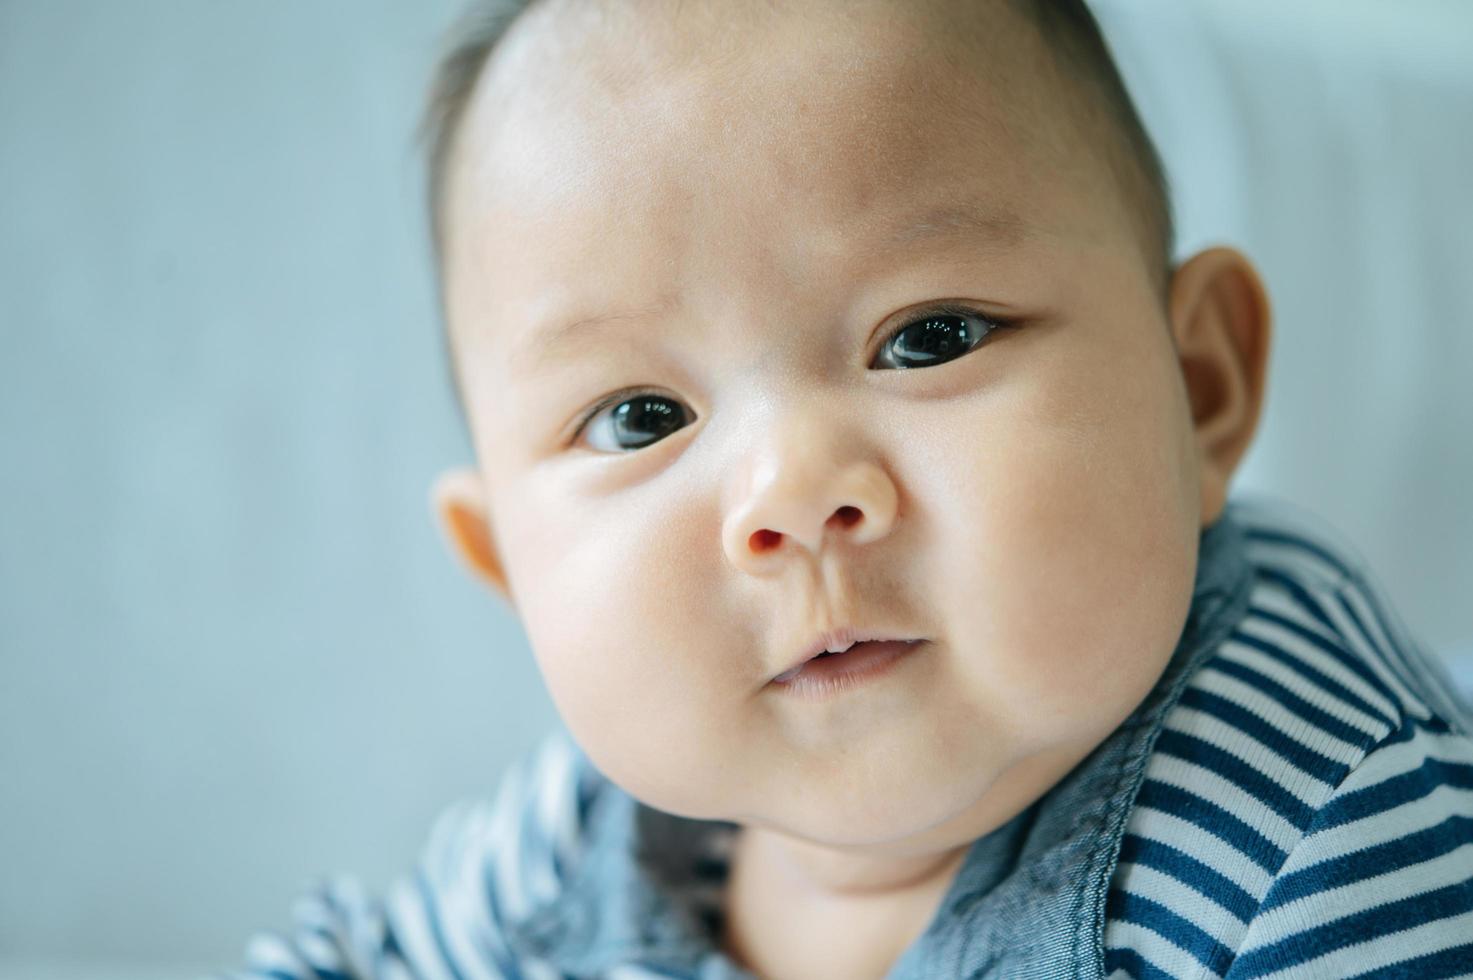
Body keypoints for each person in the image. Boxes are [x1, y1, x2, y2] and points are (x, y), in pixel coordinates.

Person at [224, 0, 1473, 977]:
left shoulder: (1326, 833)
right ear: (514, 573)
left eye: (928, 336)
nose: (791, 494)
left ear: (1197, 387)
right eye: (640, 417)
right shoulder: (587, 840)